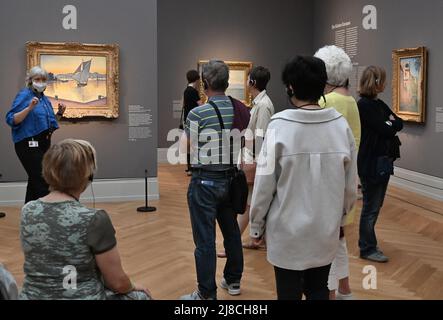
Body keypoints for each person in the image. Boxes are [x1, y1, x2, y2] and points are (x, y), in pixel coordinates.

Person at [249, 56, 358, 300]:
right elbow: (351, 186)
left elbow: (264, 185)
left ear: (291, 87)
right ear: (322, 86)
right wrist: (340, 218)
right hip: (325, 230)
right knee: (319, 289)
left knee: (287, 293)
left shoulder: (279, 126)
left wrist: (256, 227)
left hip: (286, 234)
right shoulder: (341, 127)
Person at [19, 139, 152, 300]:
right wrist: (132, 286)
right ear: (88, 176)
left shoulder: (28, 210)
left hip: (31, 297)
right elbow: (117, 282)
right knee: (141, 296)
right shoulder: (94, 219)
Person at [180, 60, 244, 300]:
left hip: (205, 182)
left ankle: (206, 294)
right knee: (232, 233)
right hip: (231, 179)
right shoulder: (239, 108)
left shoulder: (198, 113)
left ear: (204, 84)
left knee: (205, 241)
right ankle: (233, 280)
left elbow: (186, 147)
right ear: (226, 83)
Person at [315, 45, 361, 300]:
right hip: (345, 183)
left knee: (327, 243)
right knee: (339, 239)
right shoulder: (350, 101)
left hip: (328, 185)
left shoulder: (328, 101)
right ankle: (345, 290)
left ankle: (331, 292)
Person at [217, 66, 274, 258]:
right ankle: (259, 239)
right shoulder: (260, 103)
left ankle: (232, 244)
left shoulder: (264, 105)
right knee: (251, 202)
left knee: (248, 204)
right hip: (253, 159)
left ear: (253, 82)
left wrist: (252, 161)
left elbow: (261, 136)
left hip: (256, 161)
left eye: (248, 79)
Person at [358, 66, 403, 263]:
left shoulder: (378, 104)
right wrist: (389, 123)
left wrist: (389, 123)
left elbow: (399, 122)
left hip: (380, 162)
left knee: (375, 205)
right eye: (383, 80)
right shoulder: (365, 106)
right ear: (375, 82)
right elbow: (385, 129)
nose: (385, 83)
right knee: (371, 207)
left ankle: (368, 244)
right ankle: (367, 248)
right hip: (371, 163)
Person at [5, 66, 66, 204]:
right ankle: (48, 217)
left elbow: (50, 124)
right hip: (28, 144)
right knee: (43, 181)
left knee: (34, 181)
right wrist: (29, 108)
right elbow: (12, 119)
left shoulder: (44, 99)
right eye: (37, 79)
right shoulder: (24, 95)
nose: (41, 82)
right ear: (30, 81)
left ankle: (29, 215)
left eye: (44, 79)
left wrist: (60, 113)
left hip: (44, 143)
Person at [182, 70, 203, 175]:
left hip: (188, 121)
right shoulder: (193, 91)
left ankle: (189, 167)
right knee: (195, 145)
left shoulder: (186, 90)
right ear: (196, 79)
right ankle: (194, 167)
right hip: (195, 121)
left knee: (189, 145)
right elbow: (201, 106)